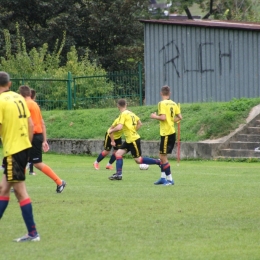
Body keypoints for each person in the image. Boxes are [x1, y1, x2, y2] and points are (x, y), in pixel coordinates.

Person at [0, 71, 40, 242]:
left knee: (20, 191)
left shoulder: (1, 101)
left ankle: (33, 233)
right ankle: (32, 233)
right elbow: (30, 125)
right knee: (3, 188)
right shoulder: (20, 98)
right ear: (9, 84)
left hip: (13, 151)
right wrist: (27, 146)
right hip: (23, 148)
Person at [19, 85, 66, 193]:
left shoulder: (26, 105)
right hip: (37, 136)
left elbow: (28, 123)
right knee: (23, 159)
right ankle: (18, 185)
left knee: (37, 163)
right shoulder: (35, 105)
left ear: (21, 94)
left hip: (32, 136)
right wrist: (44, 140)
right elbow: (42, 123)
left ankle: (59, 182)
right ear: (30, 94)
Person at [108, 99, 161, 181]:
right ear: (126, 105)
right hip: (129, 140)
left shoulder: (123, 114)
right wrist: (134, 130)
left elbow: (119, 127)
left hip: (133, 140)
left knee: (138, 160)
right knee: (118, 153)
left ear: (118, 106)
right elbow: (140, 123)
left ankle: (158, 162)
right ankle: (119, 174)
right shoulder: (131, 113)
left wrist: (111, 130)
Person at [150, 85, 182, 186]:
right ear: (170, 93)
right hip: (171, 131)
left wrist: (154, 116)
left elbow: (163, 118)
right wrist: (172, 121)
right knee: (161, 155)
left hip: (166, 133)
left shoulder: (161, 103)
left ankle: (170, 179)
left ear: (161, 93)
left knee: (163, 157)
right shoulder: (174, 103)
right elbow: (180, 117)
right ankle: (163, 178)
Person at [28, 89, 36, 175]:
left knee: (29, 154)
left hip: (30, 131)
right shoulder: (33, 105)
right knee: (29, 155)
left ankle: (31, 170)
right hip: (32, 132)